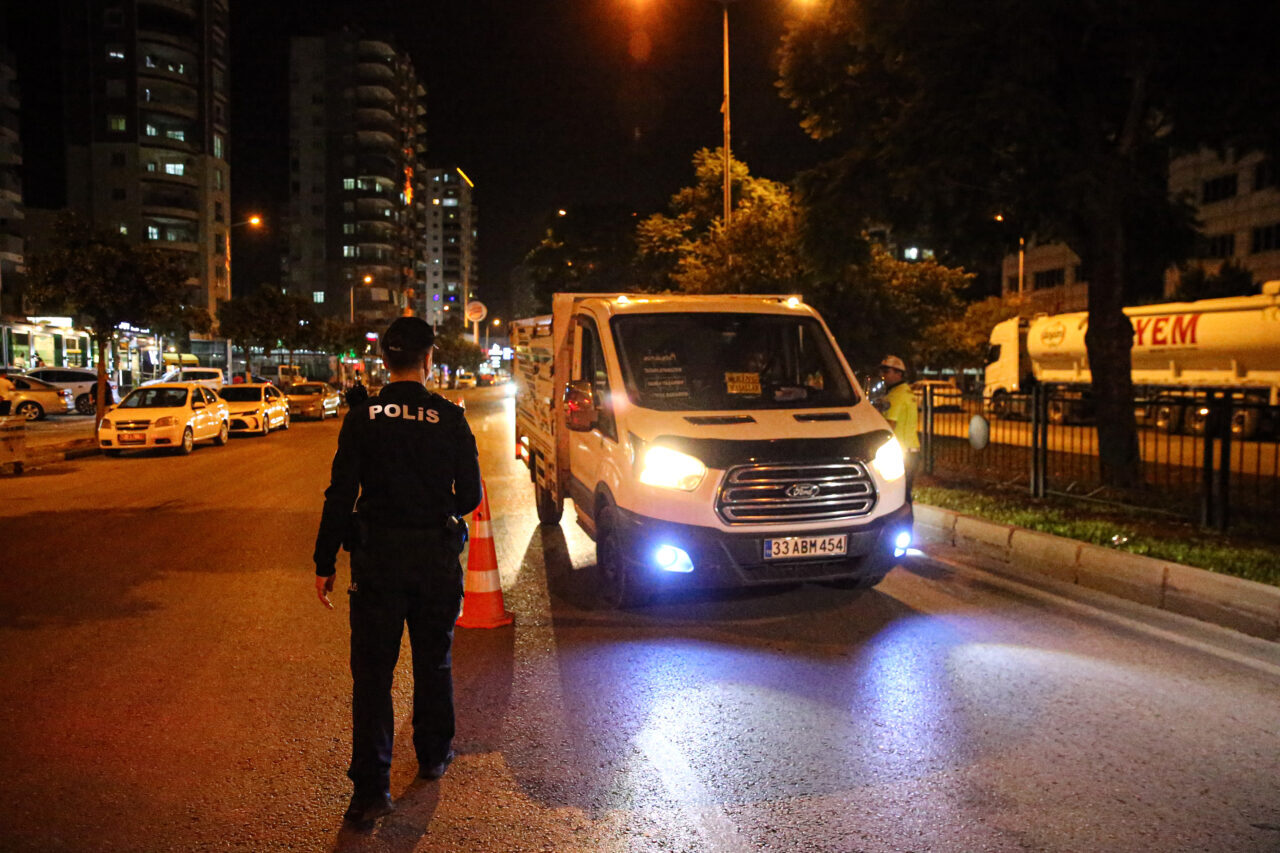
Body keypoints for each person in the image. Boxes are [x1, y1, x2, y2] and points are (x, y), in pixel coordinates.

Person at [313, 316, 482, 827]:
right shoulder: (449, 417)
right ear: (429, 359)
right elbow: (469, 496)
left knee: (372, 677)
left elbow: (340, 494)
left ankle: (370, 792)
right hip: (434, 560)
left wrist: (325, 562)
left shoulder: (363, 417)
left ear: (385, 360)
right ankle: (432, 755)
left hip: (377, 563)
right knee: (434, 662)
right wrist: (434, 505)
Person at [878, 355, 921, 501]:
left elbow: (889, 425)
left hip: (901, 452)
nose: (883, 375)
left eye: (887, 371)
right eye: (882, 371)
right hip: (910, 450)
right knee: (904, 494)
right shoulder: (905, 392)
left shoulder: (896, 395)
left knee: (897, 498)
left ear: (899, 373)